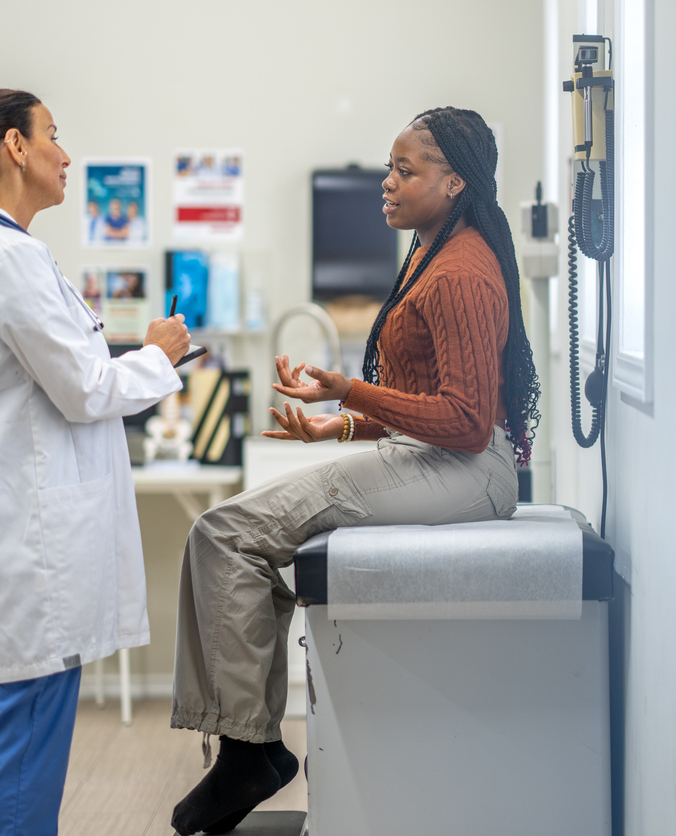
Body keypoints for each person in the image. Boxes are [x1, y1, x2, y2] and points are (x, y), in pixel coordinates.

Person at [168, 106, 541, 835]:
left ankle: (249, 751)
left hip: (467, 470)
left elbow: (466, 422)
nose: (388, 184)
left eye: (407, 171)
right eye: (388, 168)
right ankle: (247, 746)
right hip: (439, 458)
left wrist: (350, 391)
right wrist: (333, 424)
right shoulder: (432, 254)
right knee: (228, 535)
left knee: (227, 533)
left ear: (456, 181)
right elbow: (427, 405)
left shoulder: (462, 270)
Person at [0, 89, 192, 836]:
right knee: (20, 753)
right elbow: (87, 388)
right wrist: (158, 356)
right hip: (22, 544)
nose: (66, 155)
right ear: (15, 147)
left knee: (6, 741)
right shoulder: (9, 259)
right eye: (55, 137)